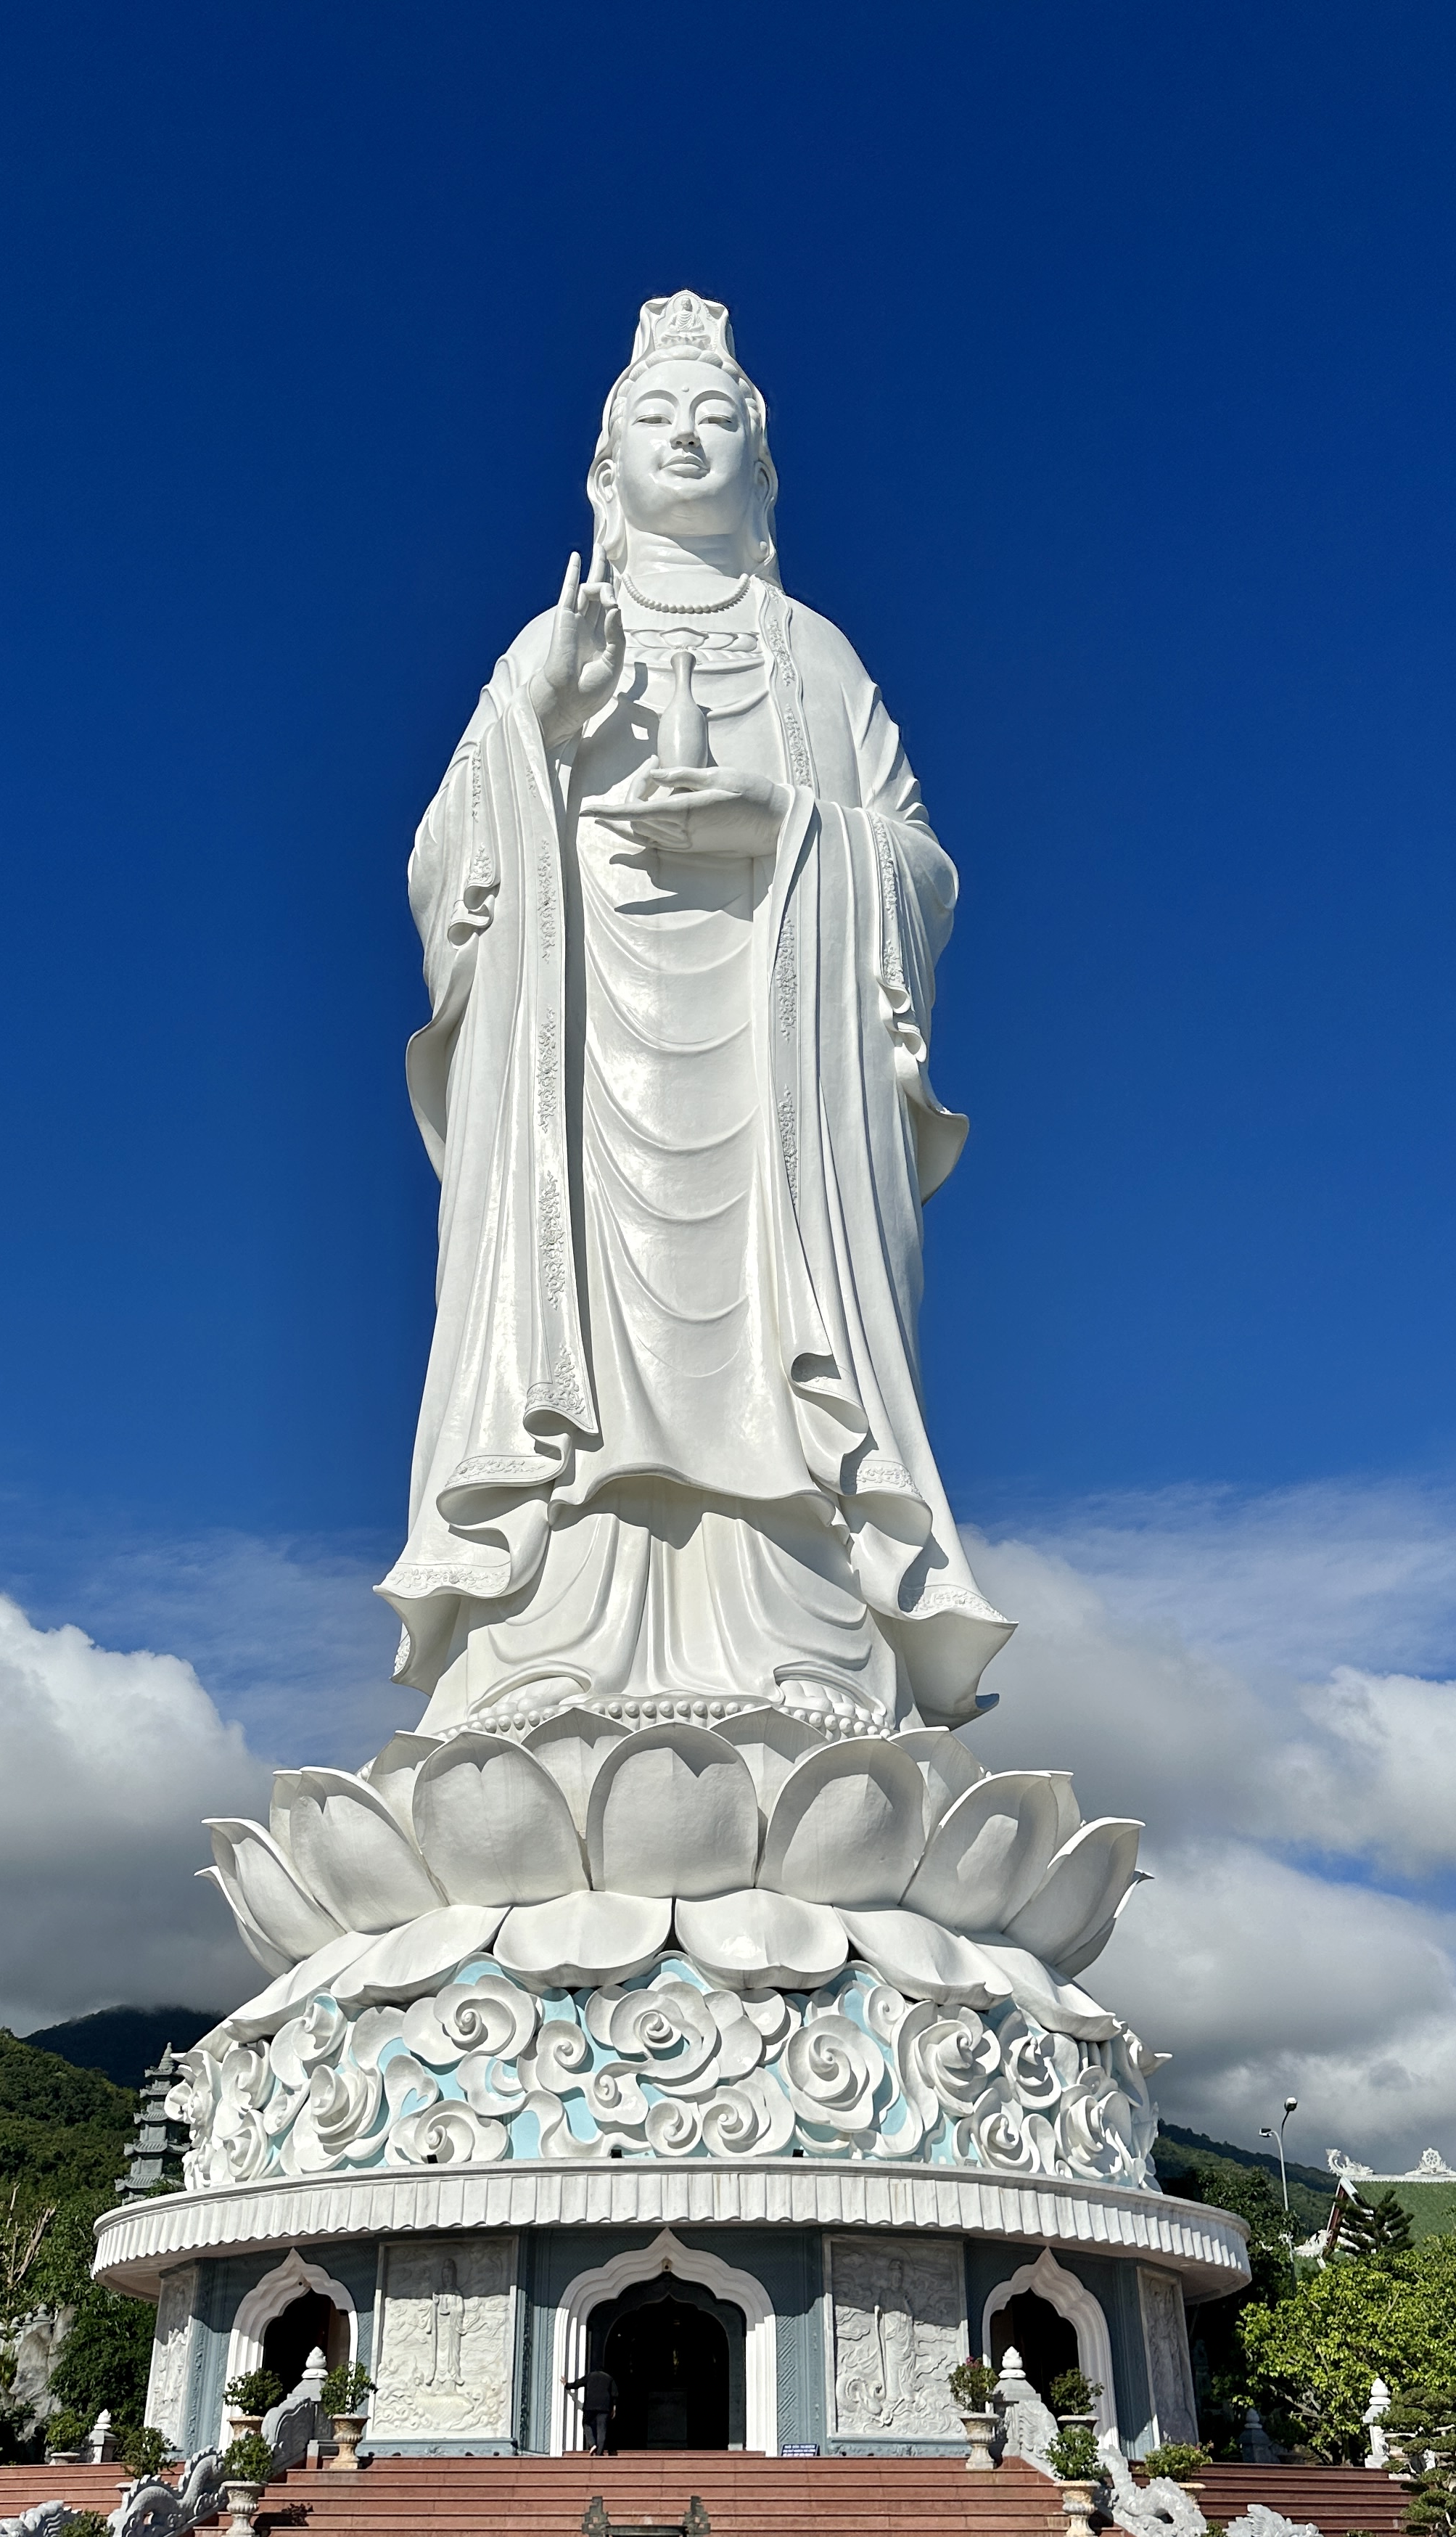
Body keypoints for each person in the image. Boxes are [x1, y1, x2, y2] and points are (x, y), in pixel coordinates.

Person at [381, 290, 1011, 1742]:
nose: (683, 437)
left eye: (714, 417)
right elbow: (438, 875)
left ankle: (803, 1638)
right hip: (581, 1068)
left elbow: (918, 869)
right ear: (604, 467)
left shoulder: (817, 659)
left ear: (759, 468)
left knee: (779, 1350)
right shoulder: (547, 646)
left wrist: (786, 829)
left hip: (779, 1079)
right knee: (581, 1347)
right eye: (653, 418)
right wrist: (527, 721)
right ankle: (549, 1638)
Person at [567, 2361, 617, 2456]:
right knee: (602, 2429)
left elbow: (578, 2384)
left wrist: (567, 2385)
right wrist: (614, 2408)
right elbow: (614, 2394)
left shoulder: (590, 2376)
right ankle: (599, 2454)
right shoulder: (609, 2378)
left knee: (586, 2424)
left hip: (590, 2406)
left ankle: (592, 2444)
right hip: (604, 2407)